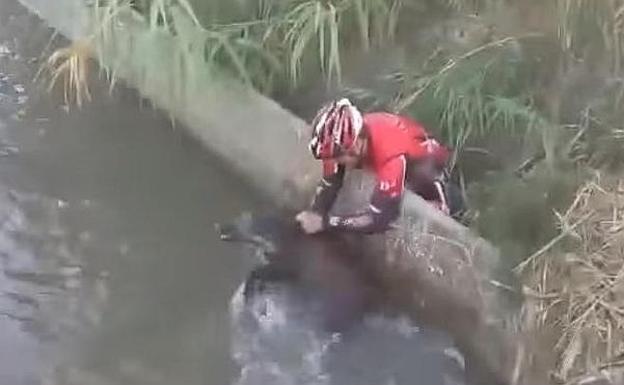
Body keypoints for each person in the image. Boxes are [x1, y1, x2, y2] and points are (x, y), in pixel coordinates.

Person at [295, 98, 461, 235]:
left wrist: (327, 223)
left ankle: (452, 204)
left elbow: (380, 220)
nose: (335, 161)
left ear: (357, 144)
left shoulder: (390, 154)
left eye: (339, 156)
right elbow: (331, 181)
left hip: (425, 165)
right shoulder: (340, 146)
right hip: (396, 151)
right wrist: (316, 212)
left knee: (431, 188)